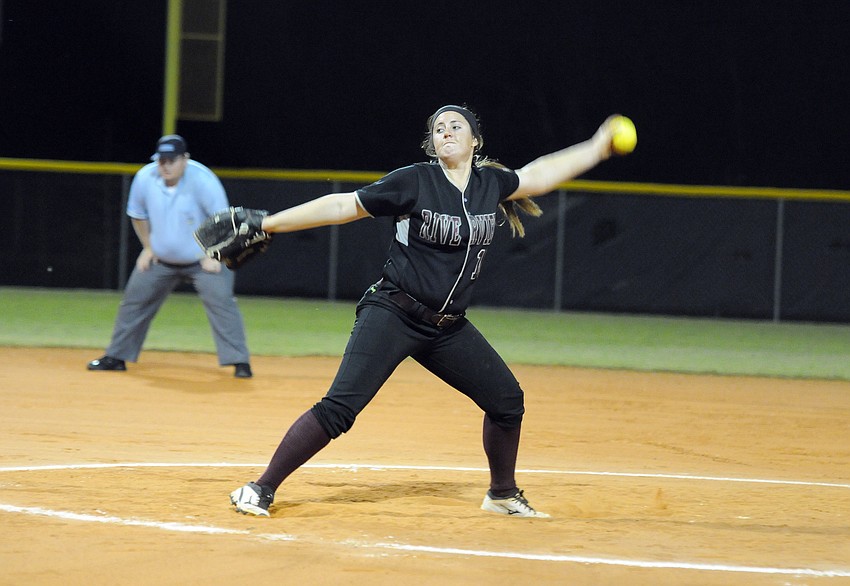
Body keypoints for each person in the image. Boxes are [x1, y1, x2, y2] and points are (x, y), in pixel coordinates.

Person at [228, 105, 622, 517]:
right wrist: (270, 223)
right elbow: (344, 206)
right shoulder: (415, 180)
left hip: (447, 328)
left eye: (456, 126)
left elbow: (539, 175)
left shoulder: (492, 184)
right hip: (393, 313)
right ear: (432, 144)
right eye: (438, 128)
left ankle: (502, 494)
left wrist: (597, 147)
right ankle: (260, 488)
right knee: (340, 409)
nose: (446, 132)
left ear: (475, 141)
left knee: (507, 401)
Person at [88, 134, 253, 378]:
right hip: (161, 259)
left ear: (184, 160)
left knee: (222, 302)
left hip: (202, 260)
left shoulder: (203, 180)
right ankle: (116, 356)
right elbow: (137, 214)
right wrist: (148, 247)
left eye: (171, 160)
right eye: (161, 160)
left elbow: (225, 221)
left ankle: (239, 362)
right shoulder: (146, 177)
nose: (165, 165)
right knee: (134, 302)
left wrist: (215, 255)